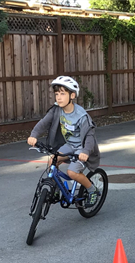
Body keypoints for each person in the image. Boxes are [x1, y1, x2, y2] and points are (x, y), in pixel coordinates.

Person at [27, 76, 100, 207]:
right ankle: (56, 189)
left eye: (62, 93)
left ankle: (92, 190)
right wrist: (34, 135)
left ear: (72, 95)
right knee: (52, 162)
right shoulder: (56, 110)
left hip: (82, 148)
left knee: (72, 172)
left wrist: (85, 151)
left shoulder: (81, 115)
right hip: (70, 145)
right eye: (56, 94)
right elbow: (43, 123)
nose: (58, 97)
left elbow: (90, 136)